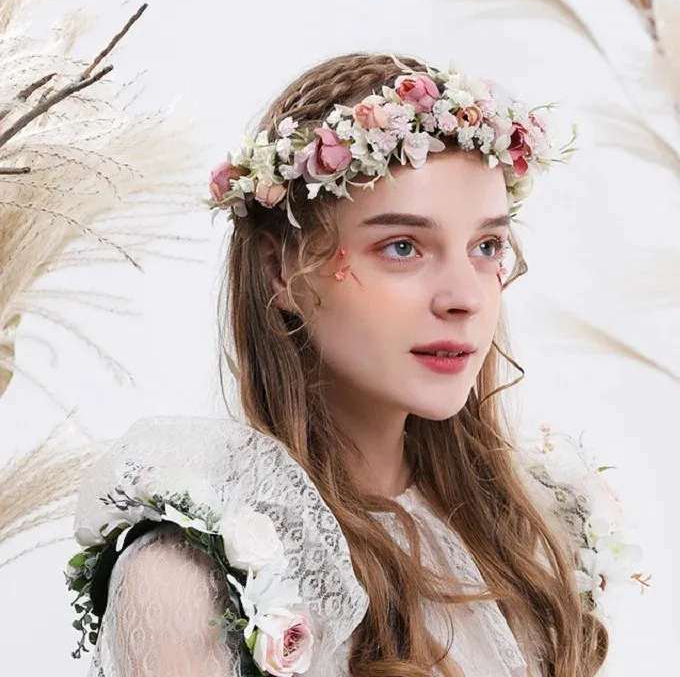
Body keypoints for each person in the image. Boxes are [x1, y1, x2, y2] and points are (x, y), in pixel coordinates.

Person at [71, 52, 609, 677]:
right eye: (402, 247)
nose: (465, 297)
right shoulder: (194, 577)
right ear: (280, 271)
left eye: (486, 245)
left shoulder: (530, 533)